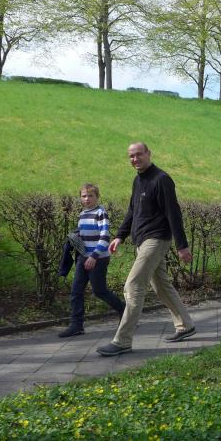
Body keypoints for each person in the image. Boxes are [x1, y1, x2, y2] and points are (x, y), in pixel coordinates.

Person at [96, 142, 196, 356]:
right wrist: (120, 236)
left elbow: (173, 213)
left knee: (133, 285)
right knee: (161, 286)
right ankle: (185, 325)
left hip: (156, 239)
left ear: (149, 154)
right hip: (141, 241)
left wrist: (182, 245)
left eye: (139, 154)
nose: (135, 159)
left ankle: (122, 341)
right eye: (131, 156)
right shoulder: (138, 180)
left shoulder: (161, 179)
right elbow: (132, 211)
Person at [58, 183, 125, 338]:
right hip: (83, 258)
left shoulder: (101, 213)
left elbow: (105, 237)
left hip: (98, 258)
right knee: (76, 291)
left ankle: (125, 311)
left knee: (99, 291)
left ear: (97, 197)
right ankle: (76, 326)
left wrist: (94, 256)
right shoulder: (82, 214)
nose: (87, 199)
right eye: (84, 196)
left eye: (90, 196)